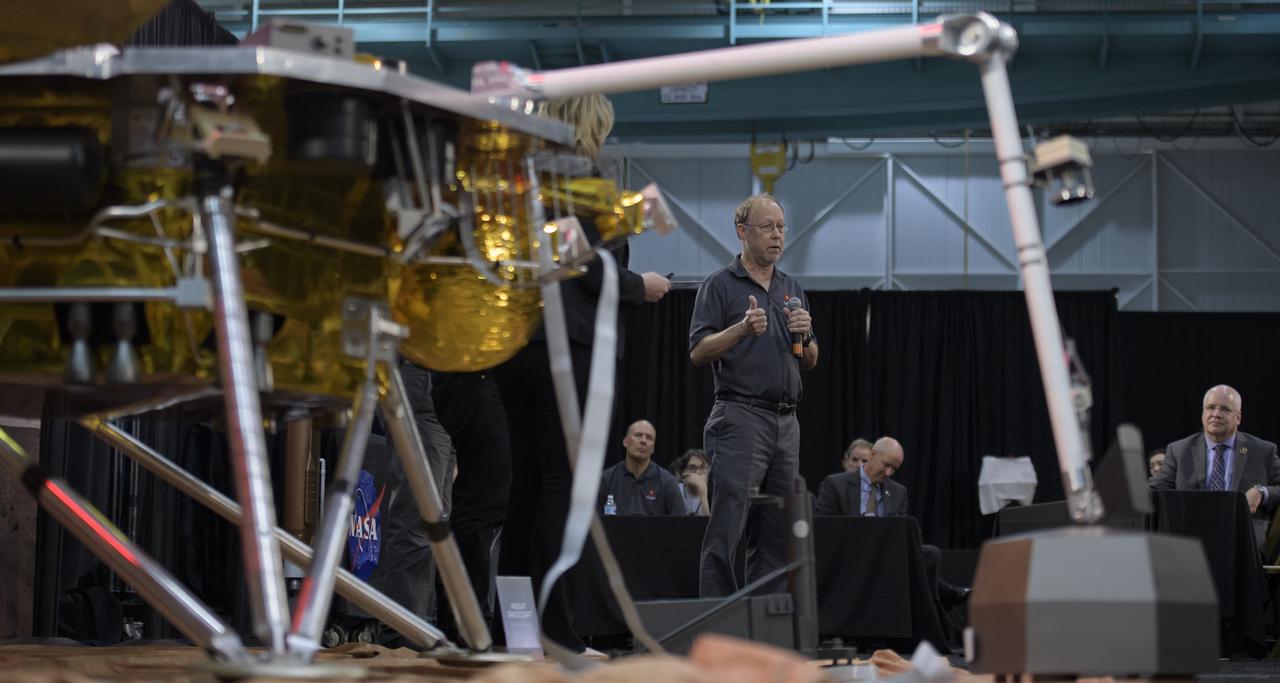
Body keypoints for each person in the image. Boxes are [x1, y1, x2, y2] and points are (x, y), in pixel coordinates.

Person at [493, 93, 670, 652]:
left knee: (523, 491)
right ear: (591, 124)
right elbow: (582, 260)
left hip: (515, 345)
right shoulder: (582, 176)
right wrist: (640, 286)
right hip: (567, 346)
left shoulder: (519, 175)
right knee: (562, 491)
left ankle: (515, 628)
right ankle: (556, 633)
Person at [689, 193, 818, 597]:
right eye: (767, 227)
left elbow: (811, 359)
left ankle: (767, 626)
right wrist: (741, 329)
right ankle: (718, 624)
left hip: (786, 421)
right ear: (743, 232)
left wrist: (806, 333)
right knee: (728, 525)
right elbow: (698, 352)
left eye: (781, 227)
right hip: (741, 418)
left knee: (777, 529)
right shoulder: (720, 285)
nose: (777, 236)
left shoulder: (790, 286)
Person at [814, 437, 970, 609]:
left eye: (894, 469)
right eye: (886, 465)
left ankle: (934, 610)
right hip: (850, 551)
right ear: (872, 454)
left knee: (930, 553)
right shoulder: (836, 484)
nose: (888, 473)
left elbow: (902, 531)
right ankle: (946, 594)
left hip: (885, 553)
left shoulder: (898, 492)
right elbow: (824, 527)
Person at [1148, 384, 1280, 545]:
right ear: (1203, 413)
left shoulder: (1262, 450)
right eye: (1210, 408)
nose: (1216, 414)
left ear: (1238, 417)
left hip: (1244, 536)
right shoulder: (1179, 450)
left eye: (1224, 409)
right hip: (1191, 534)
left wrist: (1262, 492)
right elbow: (1153, 490)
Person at [597, 420, 684, 516]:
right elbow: (592, 523)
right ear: (625, 442)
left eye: (649, 438)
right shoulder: (605, 479)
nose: (643, 441)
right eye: (638, 435)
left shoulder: (668, 482)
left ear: (653, 448)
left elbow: (680, 524)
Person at [671, 449, 711, 516]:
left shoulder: (715, 494)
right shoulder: (675, 490)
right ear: (683, 473)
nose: (698, 472)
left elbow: (713, 525)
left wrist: (703, 493)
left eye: (702, 467)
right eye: (692, 467)